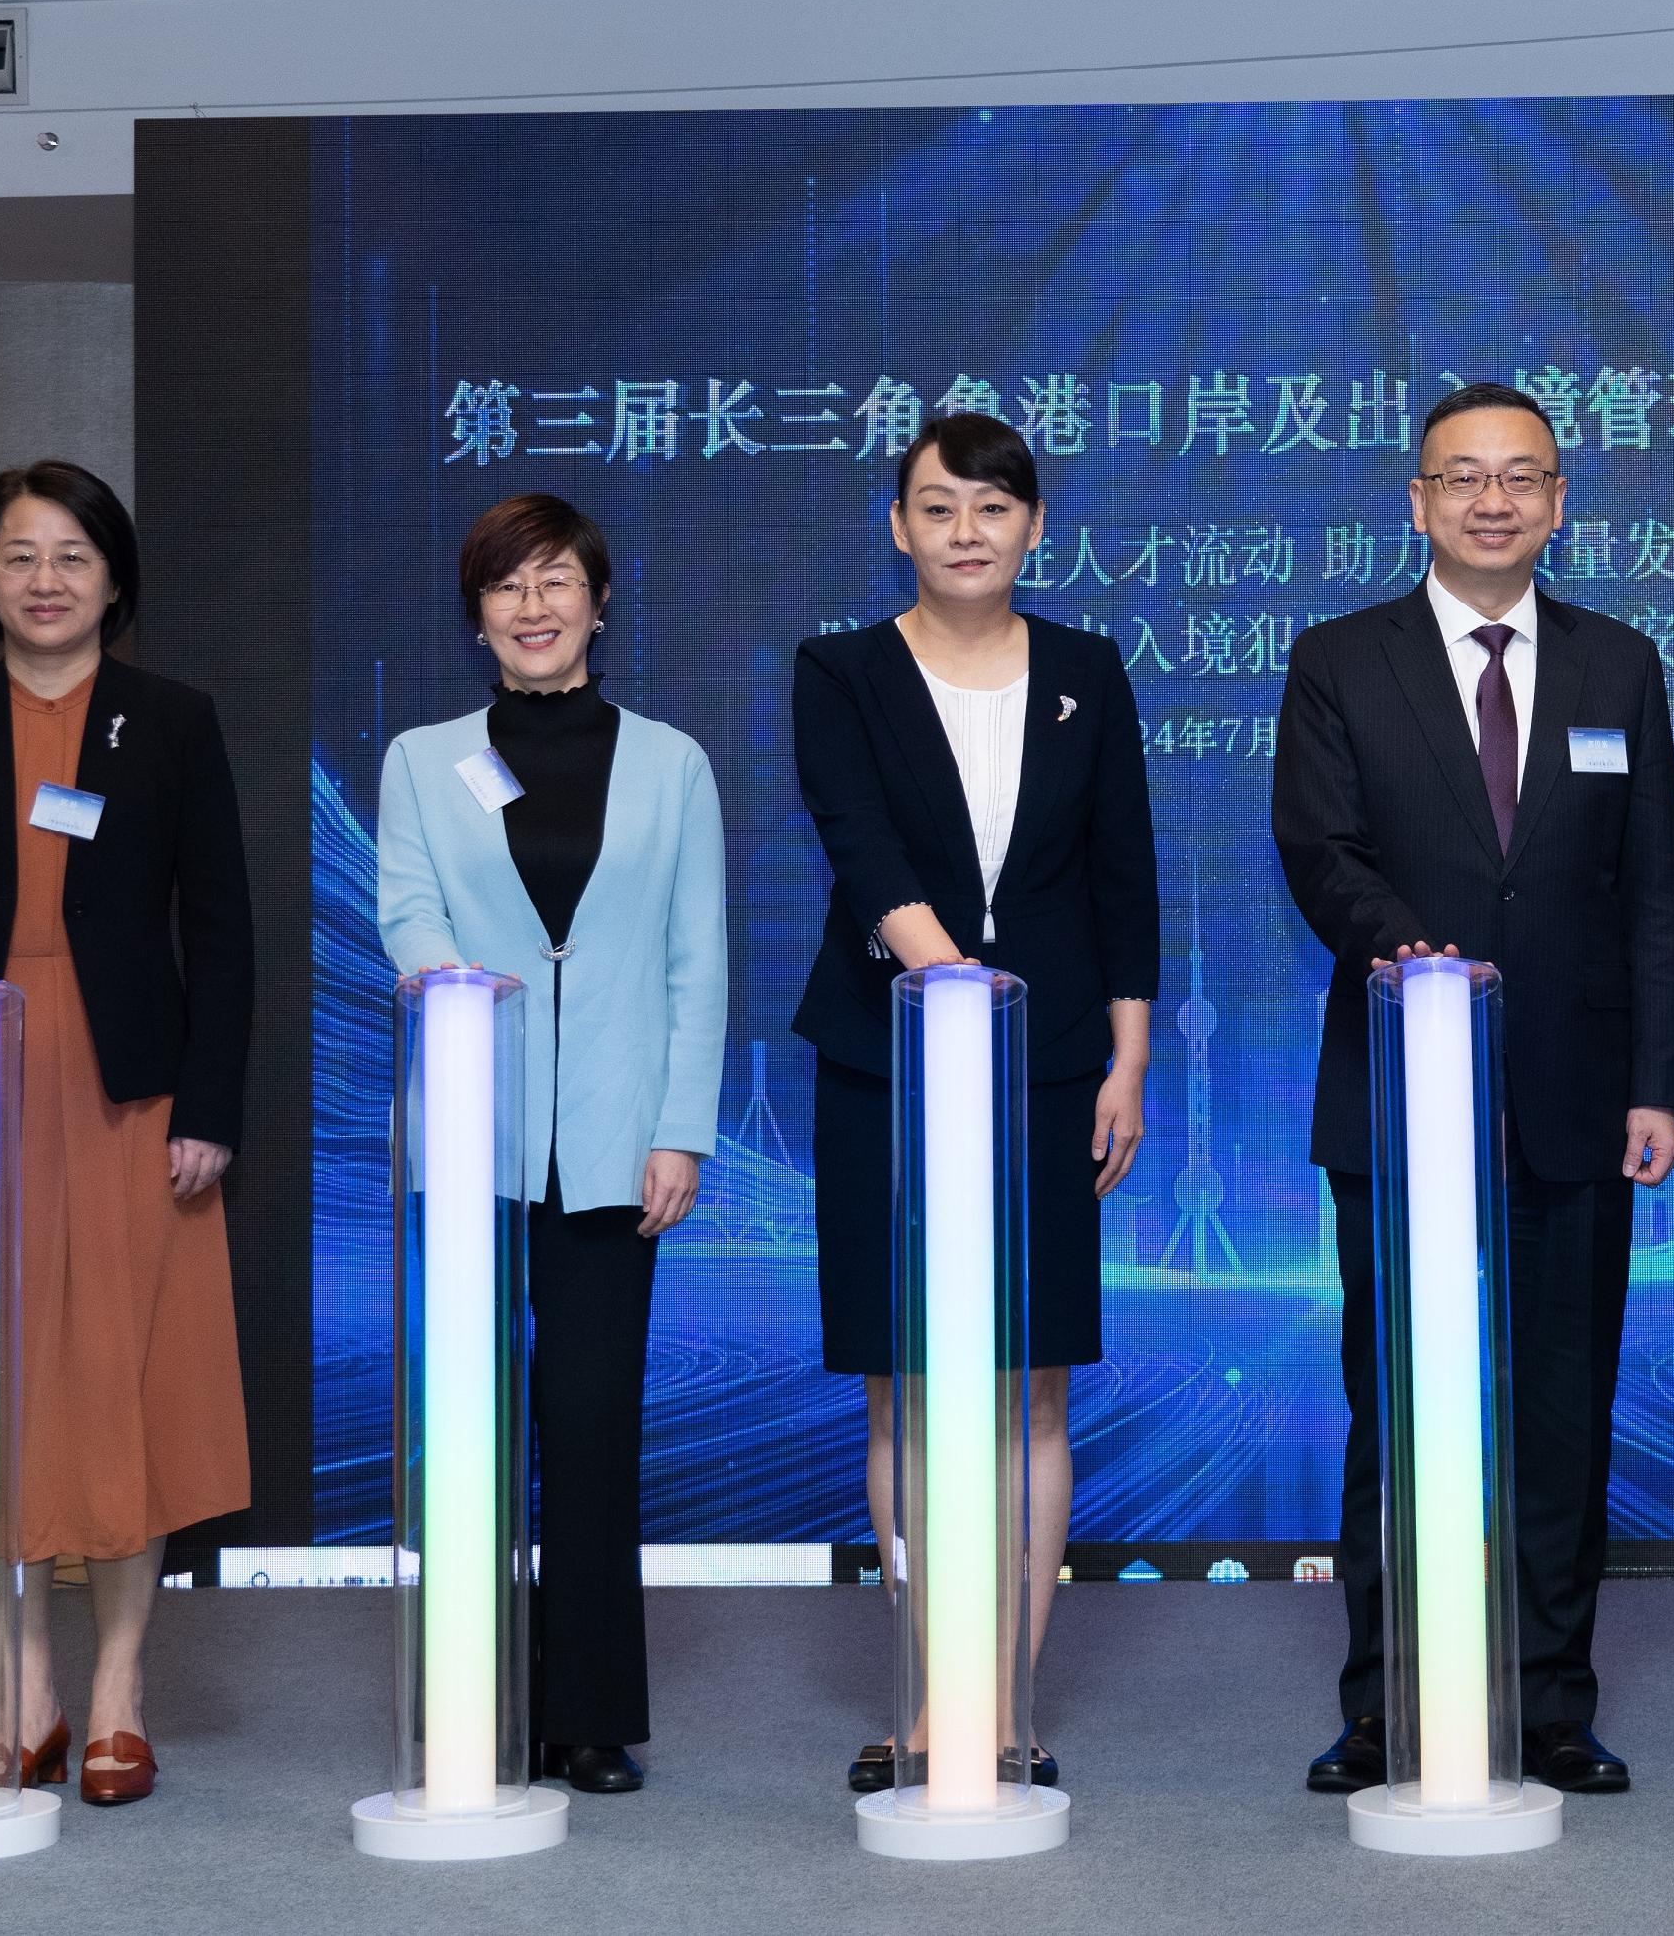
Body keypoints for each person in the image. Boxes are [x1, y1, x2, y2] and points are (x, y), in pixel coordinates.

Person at [1272, 380, 1674, 1798]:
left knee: (1561, 1412)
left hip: (1580, 1098)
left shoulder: (1618, 664)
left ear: (1561, 502)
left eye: (1523, 477)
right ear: (1418, 500)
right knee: (1398, 1406)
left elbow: (1654, 892)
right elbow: (1320, 850)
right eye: (1464, 477)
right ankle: (1387, 1704)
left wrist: (1660, 1083)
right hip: (1401, 1092)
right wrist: (1423, 964)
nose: (1494, 500)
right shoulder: (1340, 658)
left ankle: (1551, 1703)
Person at [0, 460, 251, 1810]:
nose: (45, 580)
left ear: (113, 579)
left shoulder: (172, 721)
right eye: (20, 556)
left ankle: (117, 1692)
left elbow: (220, 928)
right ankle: (20, 1687)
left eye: (72, 556)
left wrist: (210, 1106)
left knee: (123, 1386)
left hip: (130, 1091)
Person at [791, 411, 1160, 1796]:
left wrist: (1124, 1061)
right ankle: (928, 1692)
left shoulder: (1086, 671)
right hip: (890, 1058)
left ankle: (1003, 1704)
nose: (965, 530)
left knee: (1028, 1390)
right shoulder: (840, 672)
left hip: (1057, 1066)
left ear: (1033, 529)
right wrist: (958, 993)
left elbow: (1124, 878)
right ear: (900, 526)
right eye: (938, 507)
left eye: (993, 508)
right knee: (907, 1394)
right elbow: (859, 842)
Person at [376, 492, 727, 1798]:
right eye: (505, 586)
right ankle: (473, 1697)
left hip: (614, 1142)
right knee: (470, 1431)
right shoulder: (424, 759)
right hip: (474, 1135)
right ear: (476, 615)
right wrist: (460, 993)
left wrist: (681, 1131)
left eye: (556, 581)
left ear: (599, 599)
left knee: (589, 1427)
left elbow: (698, 960)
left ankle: (587, 1715)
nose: (533, 606)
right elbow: (405, 911)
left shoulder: (671, 763)